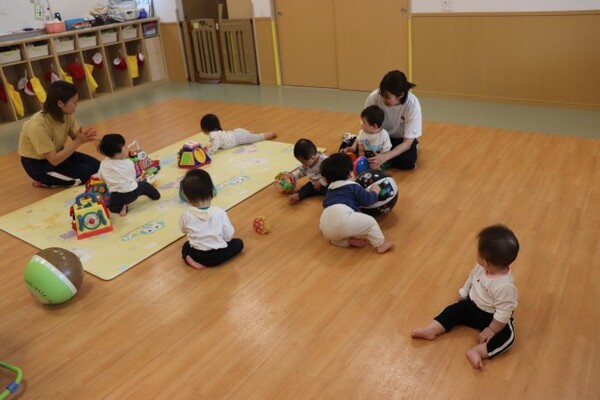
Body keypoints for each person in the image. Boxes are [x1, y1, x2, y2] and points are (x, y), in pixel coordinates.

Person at [411, 225, 519, 370]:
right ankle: (431, 329)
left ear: (486, 262)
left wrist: (492, 330)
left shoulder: (505, 287)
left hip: (491, 318)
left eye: (478, 251)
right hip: (471, 306)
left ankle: (478, 351)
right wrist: (464, 291)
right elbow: (471, 278)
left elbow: (504, 312)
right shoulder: (481, 267)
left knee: (507, 337)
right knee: (452, 311)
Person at [18, 80, 100, 187]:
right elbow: (54, 160)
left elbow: (76, 136)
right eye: (74, 102)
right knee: (85, 175)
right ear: (60, 103)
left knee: (97, 167)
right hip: (37, 164)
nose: (77, 105)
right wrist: (78, 141)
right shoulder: (37, 126)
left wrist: (85, 137)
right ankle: (43, 180)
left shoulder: (66, 114)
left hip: (58, 154)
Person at [318, 153, 394, 254]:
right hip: (342, 220)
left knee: (333, 236)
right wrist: (375, 191)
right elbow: (367, 200)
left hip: (324, 225)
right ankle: (380, 245)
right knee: (370, 222)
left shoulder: (330, 190)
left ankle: (348, 241)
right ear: (350, 174)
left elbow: (325, 205)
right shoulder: (353, 186)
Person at [179, 169, 244, 270]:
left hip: (197, 255)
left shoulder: (186, 214)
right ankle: (215, 260)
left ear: (186, 197)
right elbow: (229, 234)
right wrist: (222, 241)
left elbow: (183, 230)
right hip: (218, 255)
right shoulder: (219, 212)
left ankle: (189, 259)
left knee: (186, 246)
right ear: (212, 193)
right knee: (239, 243)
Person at [363, 70, 422, 170]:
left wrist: (384, 157)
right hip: (379, 135)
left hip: (401, 140)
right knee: (361, 152)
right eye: (381, 94)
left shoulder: (412, 105)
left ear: (400, 95)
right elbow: (366, 123)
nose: (383, 99)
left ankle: (413, 147)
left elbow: (407, 143)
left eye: (387, 97)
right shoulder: (374, 97)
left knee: (406, 161)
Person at [97, 133, 161, 216]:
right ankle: (156, 196)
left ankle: (120, 208)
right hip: (130, 193)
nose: (127, 148)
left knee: (112, 205)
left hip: (115, 194)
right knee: (144, 185)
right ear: (117, 154)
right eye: (125, 147)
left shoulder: (103, 164)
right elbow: (132, 178)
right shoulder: (128, 162)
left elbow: (100, 176)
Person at [200, 113, 277, 155]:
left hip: (238, 138)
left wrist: (208, 152)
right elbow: (218, 143)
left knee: (258, 137)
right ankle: (249, 133)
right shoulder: (217, 132)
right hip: (235, 132)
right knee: (247, 135)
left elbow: (216, 145)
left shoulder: (212, 134)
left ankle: (270, 134)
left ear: (205, 128)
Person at [288, 138, 328, 205]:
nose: (302, 164)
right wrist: (293, 176)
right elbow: (301, 171)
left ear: (312, 157)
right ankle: (298, 195)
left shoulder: (325, 161)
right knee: (306, 189)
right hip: (313, 184)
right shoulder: (307, 162)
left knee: (331, 191)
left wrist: (320, 182)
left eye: (302, 161)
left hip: (326, 184)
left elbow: (330, 175)